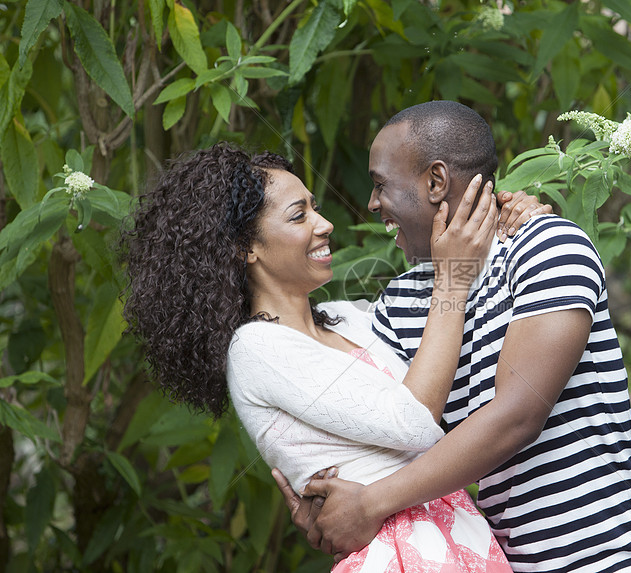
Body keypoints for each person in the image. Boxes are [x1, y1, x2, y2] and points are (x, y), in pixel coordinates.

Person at [276, 101, 631, 573]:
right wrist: (322, 500)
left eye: (381, 183)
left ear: (436, 182)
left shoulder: (547, 248)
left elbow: (516, 416)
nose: (371, 203)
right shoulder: (401, 305)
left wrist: (369, 505)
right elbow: (382, 428)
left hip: (617, 559)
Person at [121, 143, 547, 572]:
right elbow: (416, 422)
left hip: (455, 536)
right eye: (298, 215)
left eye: (315, 207)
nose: (325, 224)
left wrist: (508, 215)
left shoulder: (351, 320)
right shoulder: (255, 349)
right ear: (244, 248)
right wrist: (453, 280)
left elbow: (440, 331)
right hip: (396, 554)